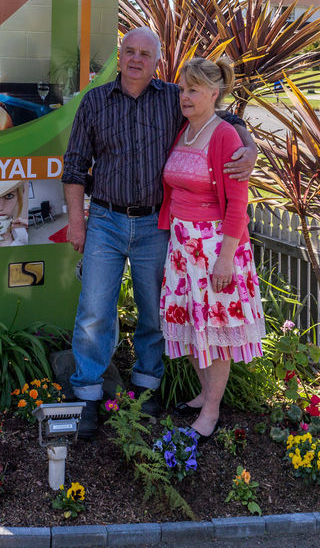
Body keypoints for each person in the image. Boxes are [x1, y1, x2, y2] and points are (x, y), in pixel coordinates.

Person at [62, 27, 257, 439]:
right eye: (129, 51)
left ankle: (146, 387)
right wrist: (77, 222)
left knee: (155, 310)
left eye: (144, 53)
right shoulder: (95, 102)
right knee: (95, 309)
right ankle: (87, 395)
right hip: (106, 221)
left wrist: (250, 146)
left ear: (157, 60)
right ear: (120, 54)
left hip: (157, 225)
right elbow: (76, 164)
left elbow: (225, 117)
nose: (136, 59)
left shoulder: (174, 97)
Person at [159, 57, 265, 441]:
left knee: (215, 329)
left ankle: (212, 409)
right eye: (182, 89)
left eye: (193, 90)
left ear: (213, 93)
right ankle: (205, 392)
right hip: (182, 247)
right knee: (188, 323)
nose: (184, 96)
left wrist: (225, 260)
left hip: (215, 248)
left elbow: (238, 204)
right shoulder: (185, 131)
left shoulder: (224, 136)